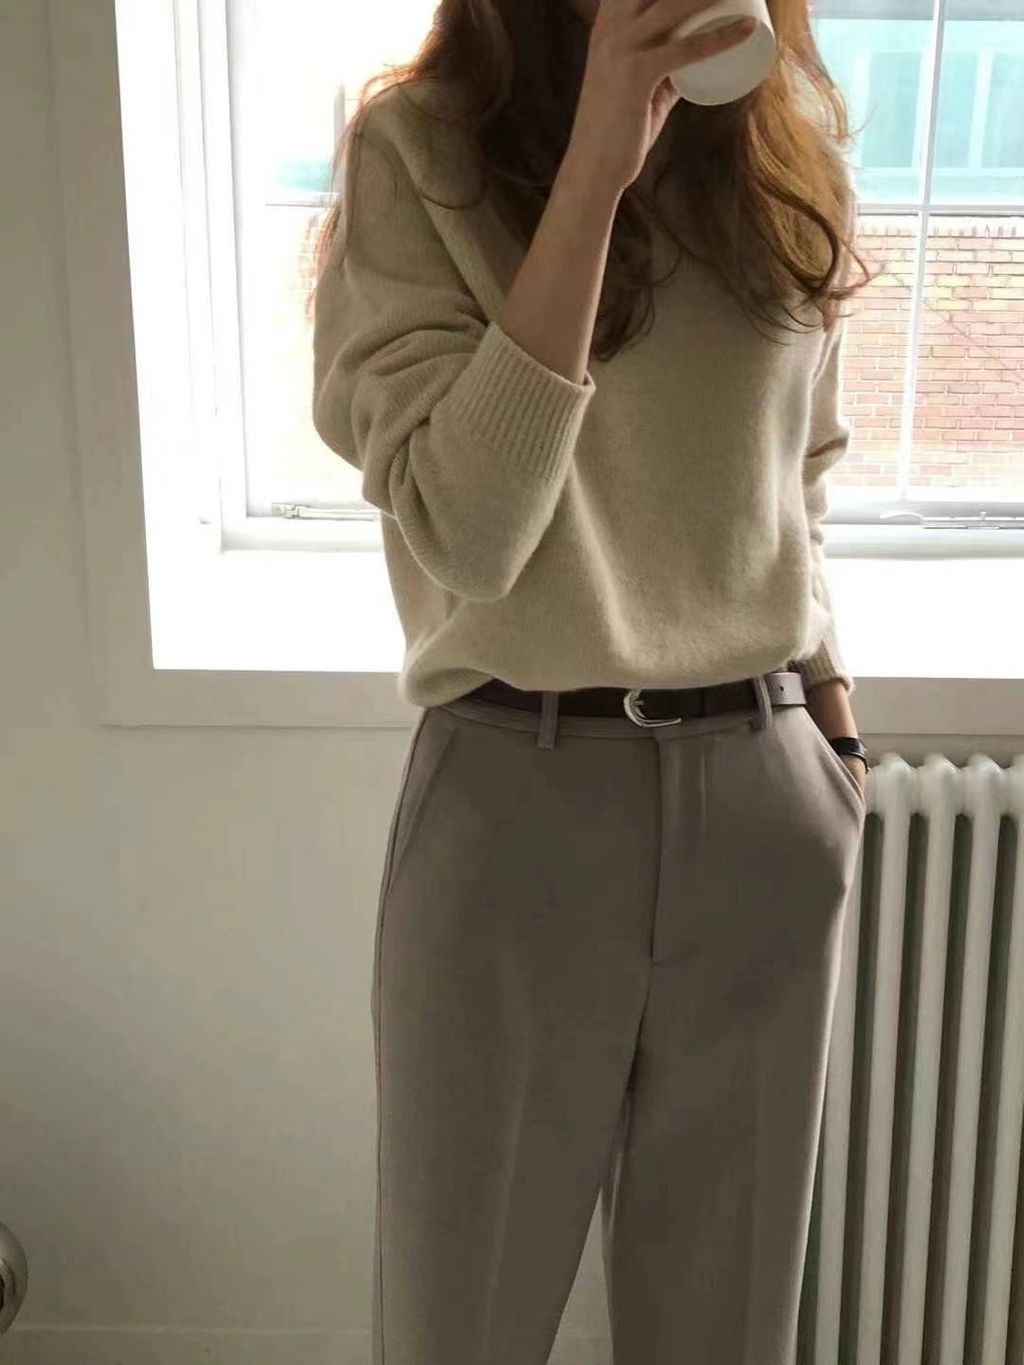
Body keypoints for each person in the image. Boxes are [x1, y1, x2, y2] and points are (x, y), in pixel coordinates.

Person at [311, 1, 875, 1360]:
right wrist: (597, 166)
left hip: (765, 788)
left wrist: (835, 728)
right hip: (519, 800)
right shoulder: (415, 151)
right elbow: (471, 528)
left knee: (725, 1323)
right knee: (462, 1317)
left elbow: (800, 477)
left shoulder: (786, 143)